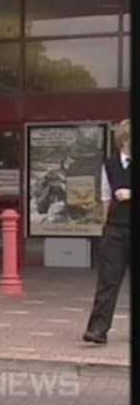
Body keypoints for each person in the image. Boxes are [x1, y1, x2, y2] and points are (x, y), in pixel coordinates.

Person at [83, 119, 131, 345]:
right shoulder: (110, 165)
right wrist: (106, 227)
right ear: (125, 140)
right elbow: (105, 197)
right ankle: (98, 329)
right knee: (108, 280)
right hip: (116, 229)